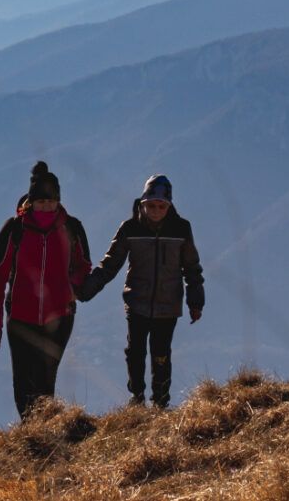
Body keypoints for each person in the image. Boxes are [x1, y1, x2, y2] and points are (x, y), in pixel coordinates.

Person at [80, 174, 204, 408]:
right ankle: (136, 399)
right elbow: (110, 264)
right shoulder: (130, 228)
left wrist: (195, 302)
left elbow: (192, 268)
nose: (156, 210)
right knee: (135, 353)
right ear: (143, 202)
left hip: (168, 306)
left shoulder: (181, 229)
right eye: (151, 205)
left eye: (161, 206)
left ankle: (160, 402)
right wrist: (86, 290)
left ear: (168, 206)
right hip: (136, 302)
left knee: (161, 355)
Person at [0, 161, 92, 418]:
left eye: (51, 201)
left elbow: (84, 265)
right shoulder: (14, 230)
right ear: (31, 202)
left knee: (46, 379)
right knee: (23, 380)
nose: (47, 206)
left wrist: (72, 289)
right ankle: (30, 431)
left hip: (60, 317)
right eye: (41, 202)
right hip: (21, 316)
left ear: (59, 200)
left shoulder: (72, 228)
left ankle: (43, 432)